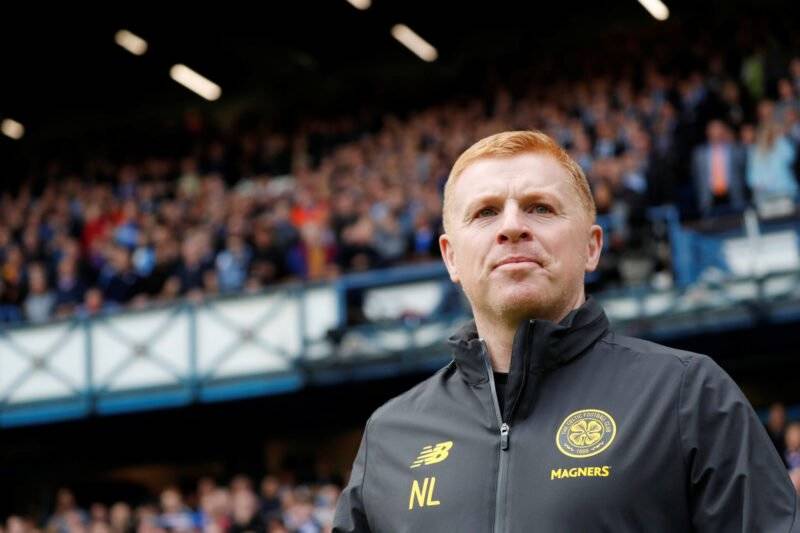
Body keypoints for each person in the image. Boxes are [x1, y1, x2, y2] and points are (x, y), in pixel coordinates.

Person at [333, 130, 799, 532]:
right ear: (450, 257)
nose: (512, 227)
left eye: (540, 208)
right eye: (485, 212)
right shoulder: (390, 437)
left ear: (592, 247)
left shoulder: (687, 396)